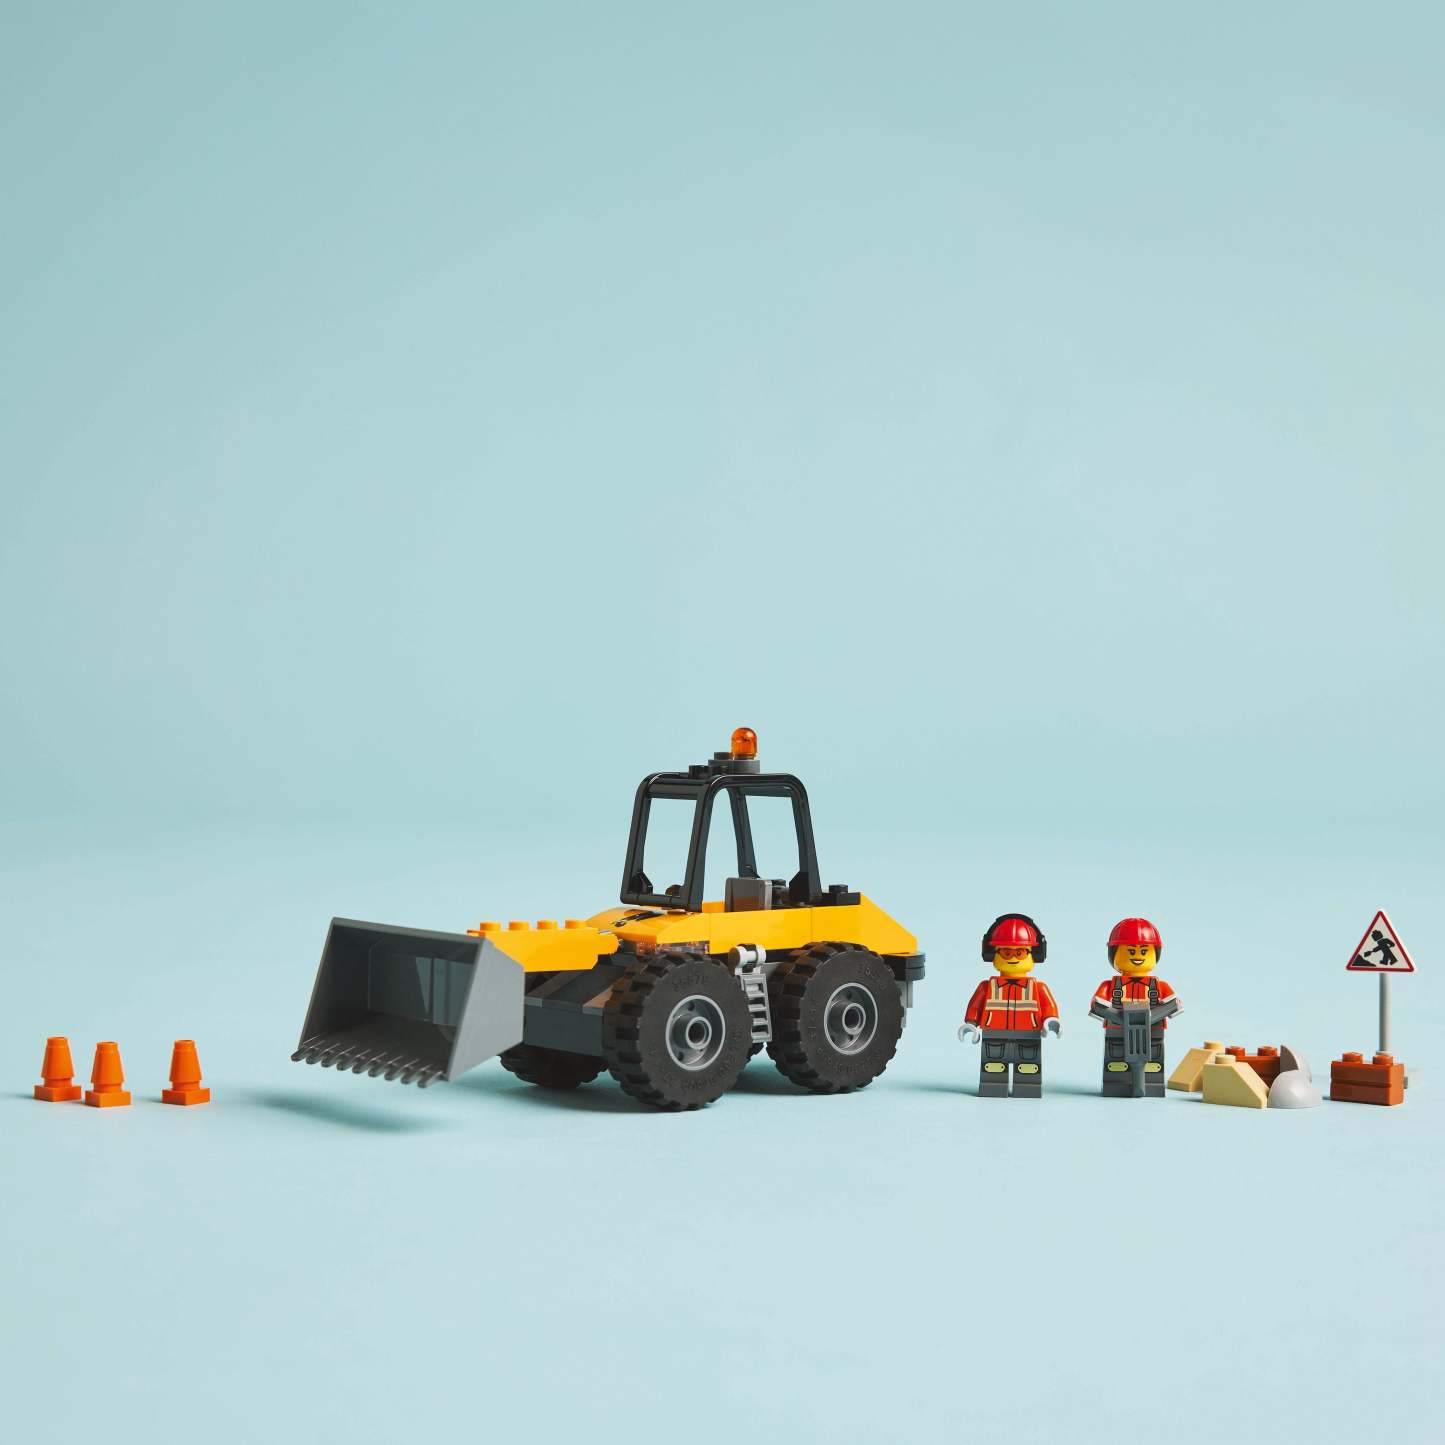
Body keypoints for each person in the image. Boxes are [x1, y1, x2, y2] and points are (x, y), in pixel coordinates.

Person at [958, 913, 1059, 1098]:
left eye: (1020, 952)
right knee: (993, 1067)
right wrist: (970, 1024)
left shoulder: (1038, 988)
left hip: (1029, 1034)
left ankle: (1027, 1088)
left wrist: (1051, 1020)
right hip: (993, 1033)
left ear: (1035, 955)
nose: (1013, 957)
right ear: (993, 954)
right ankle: (993, 1087)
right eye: (1006, 952)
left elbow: (1049, 1008)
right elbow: (975, 1007)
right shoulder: (986, 987)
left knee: (1028, 1068)